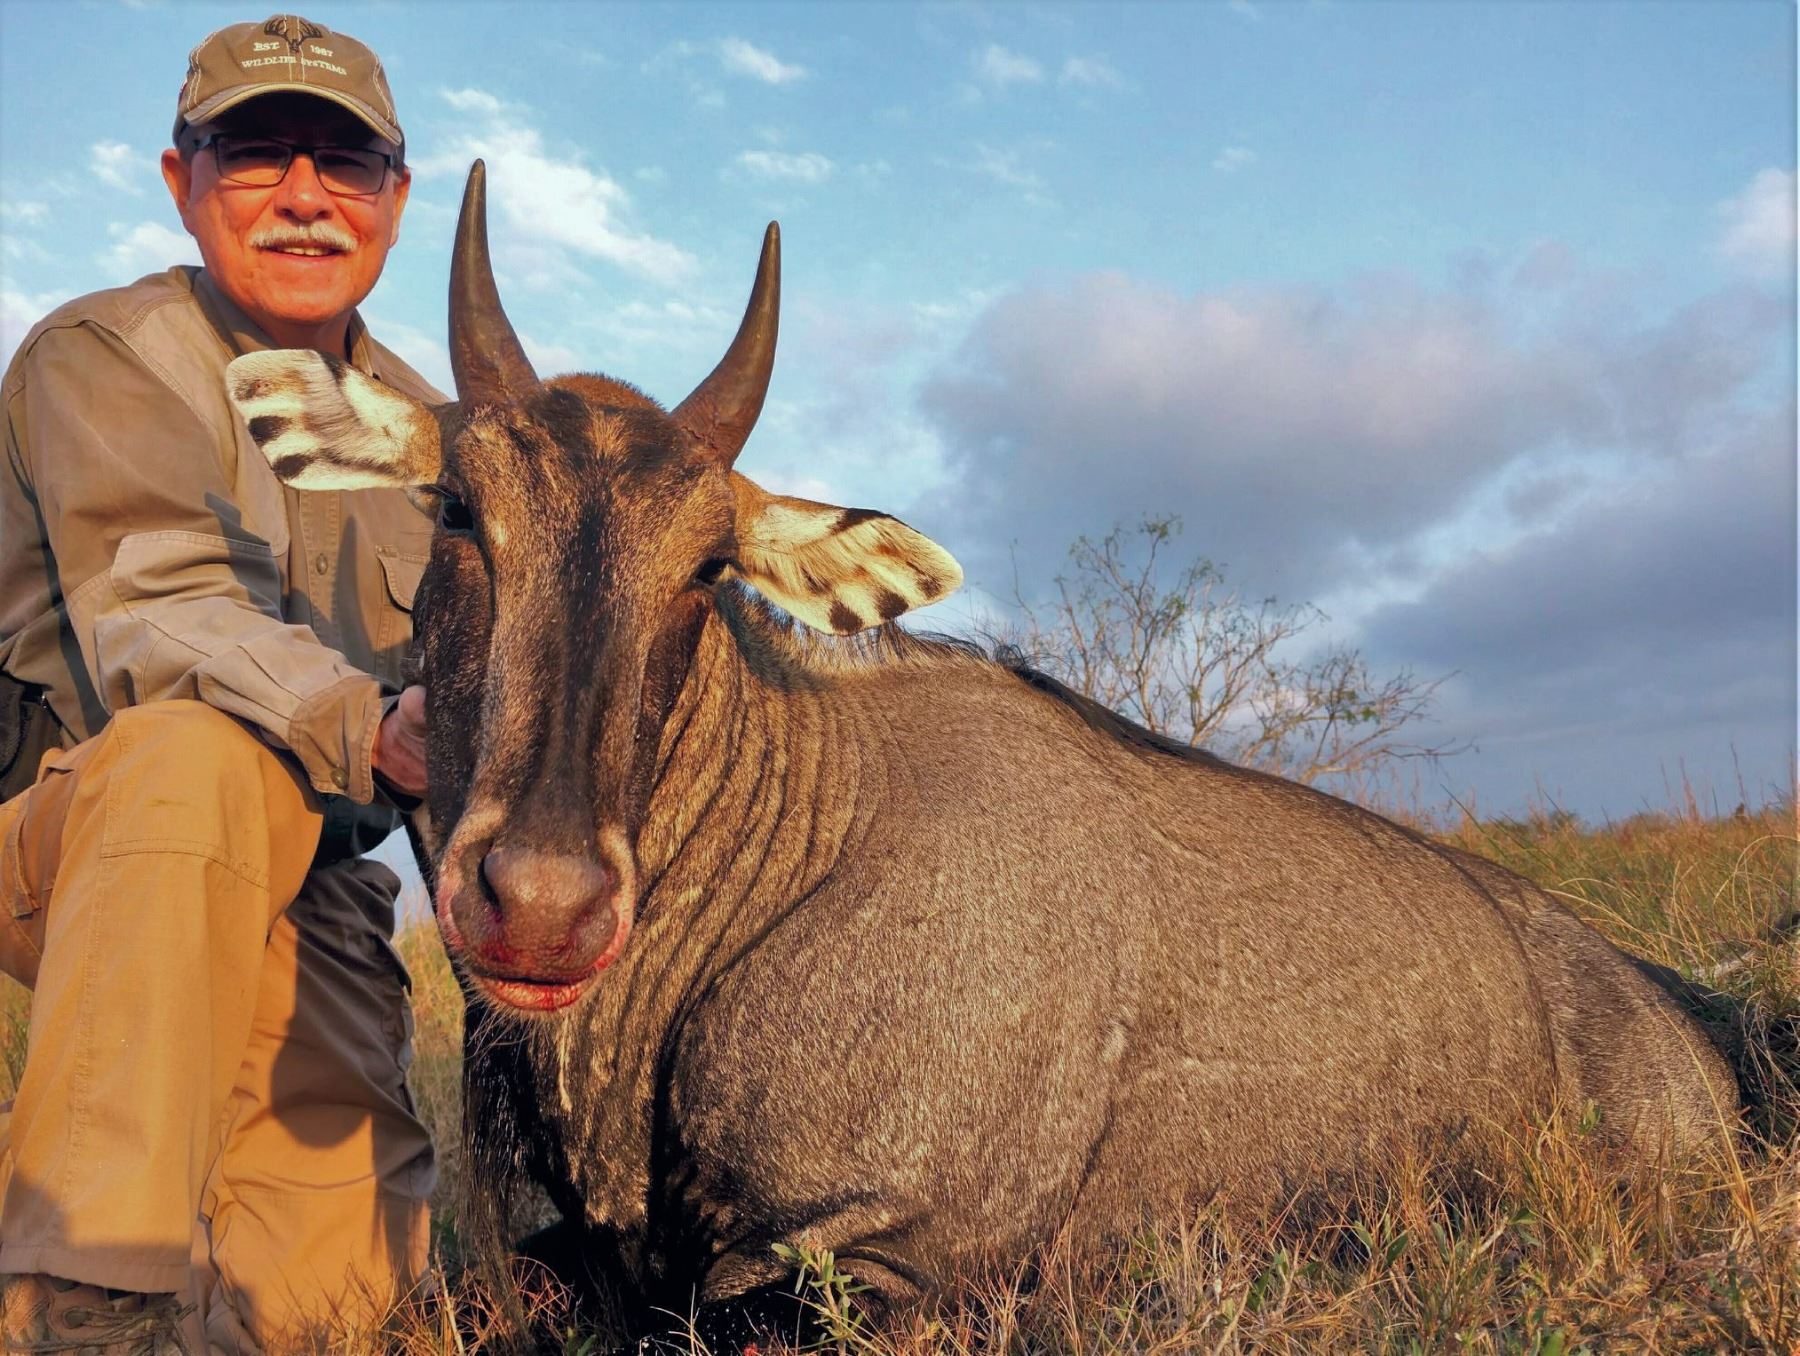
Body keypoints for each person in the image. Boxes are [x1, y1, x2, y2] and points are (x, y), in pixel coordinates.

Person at [0, 14, 438, 1352]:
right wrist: (378, 727)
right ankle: (81, 1301)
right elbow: (164, 607)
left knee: (336, 1317)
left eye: (345, 164)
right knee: (192, 759)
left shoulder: (439, 435)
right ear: (179, 181)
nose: (304, 196)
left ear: (394, 202)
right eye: (255, 156)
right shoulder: (103, 354)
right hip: (89, 844)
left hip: (311, 887)